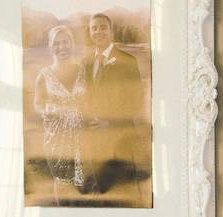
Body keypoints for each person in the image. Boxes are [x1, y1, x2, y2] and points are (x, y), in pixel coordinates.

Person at [80, 12, 144, 199]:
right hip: (93, 138)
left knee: (121, 192)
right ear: (90, 33)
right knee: (97, 191)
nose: (98, 31)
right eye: (94, 28)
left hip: (119, 137)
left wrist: (109, 122)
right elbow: (83, 97)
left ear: (110, 31)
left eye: (102, 27)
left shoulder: (127, 60)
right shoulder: (86, 62)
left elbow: (136, 99)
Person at [32, 25, 86, 205]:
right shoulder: (44, 75)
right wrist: (44, 112)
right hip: (56, 138)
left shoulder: (83, 71)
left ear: (72, 44)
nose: (62, 47)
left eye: (66, 42)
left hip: (84, 135)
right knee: (62, 182)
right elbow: (38, 103)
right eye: (57, 43)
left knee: (84, 185)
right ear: (50, 46)